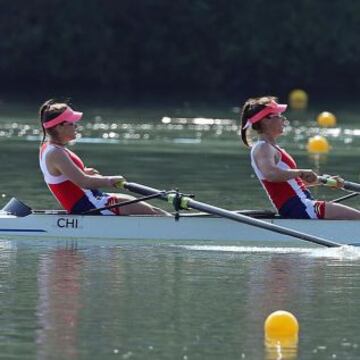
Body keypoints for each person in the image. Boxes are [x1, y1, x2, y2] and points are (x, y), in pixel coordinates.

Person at [39, 99, 167, 216]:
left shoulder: (49, 148)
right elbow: (84, 182)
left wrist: (83, 171)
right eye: (72, 123)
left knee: (155, 211)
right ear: (58, 127)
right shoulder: (56, 153)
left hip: (94, 201)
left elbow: (63, 176)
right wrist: (110, 180)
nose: (76, 126)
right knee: (155, 213)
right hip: (90, 207)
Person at [240, 96, 360, 219]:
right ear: (265, 120)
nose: (283, 120)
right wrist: (300, 172)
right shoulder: (263, 148)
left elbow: (291, 183)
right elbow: (271, 174)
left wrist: (325, 181)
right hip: (299, 207)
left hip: (302, 206)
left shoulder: (272, 148)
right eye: (278, 116)